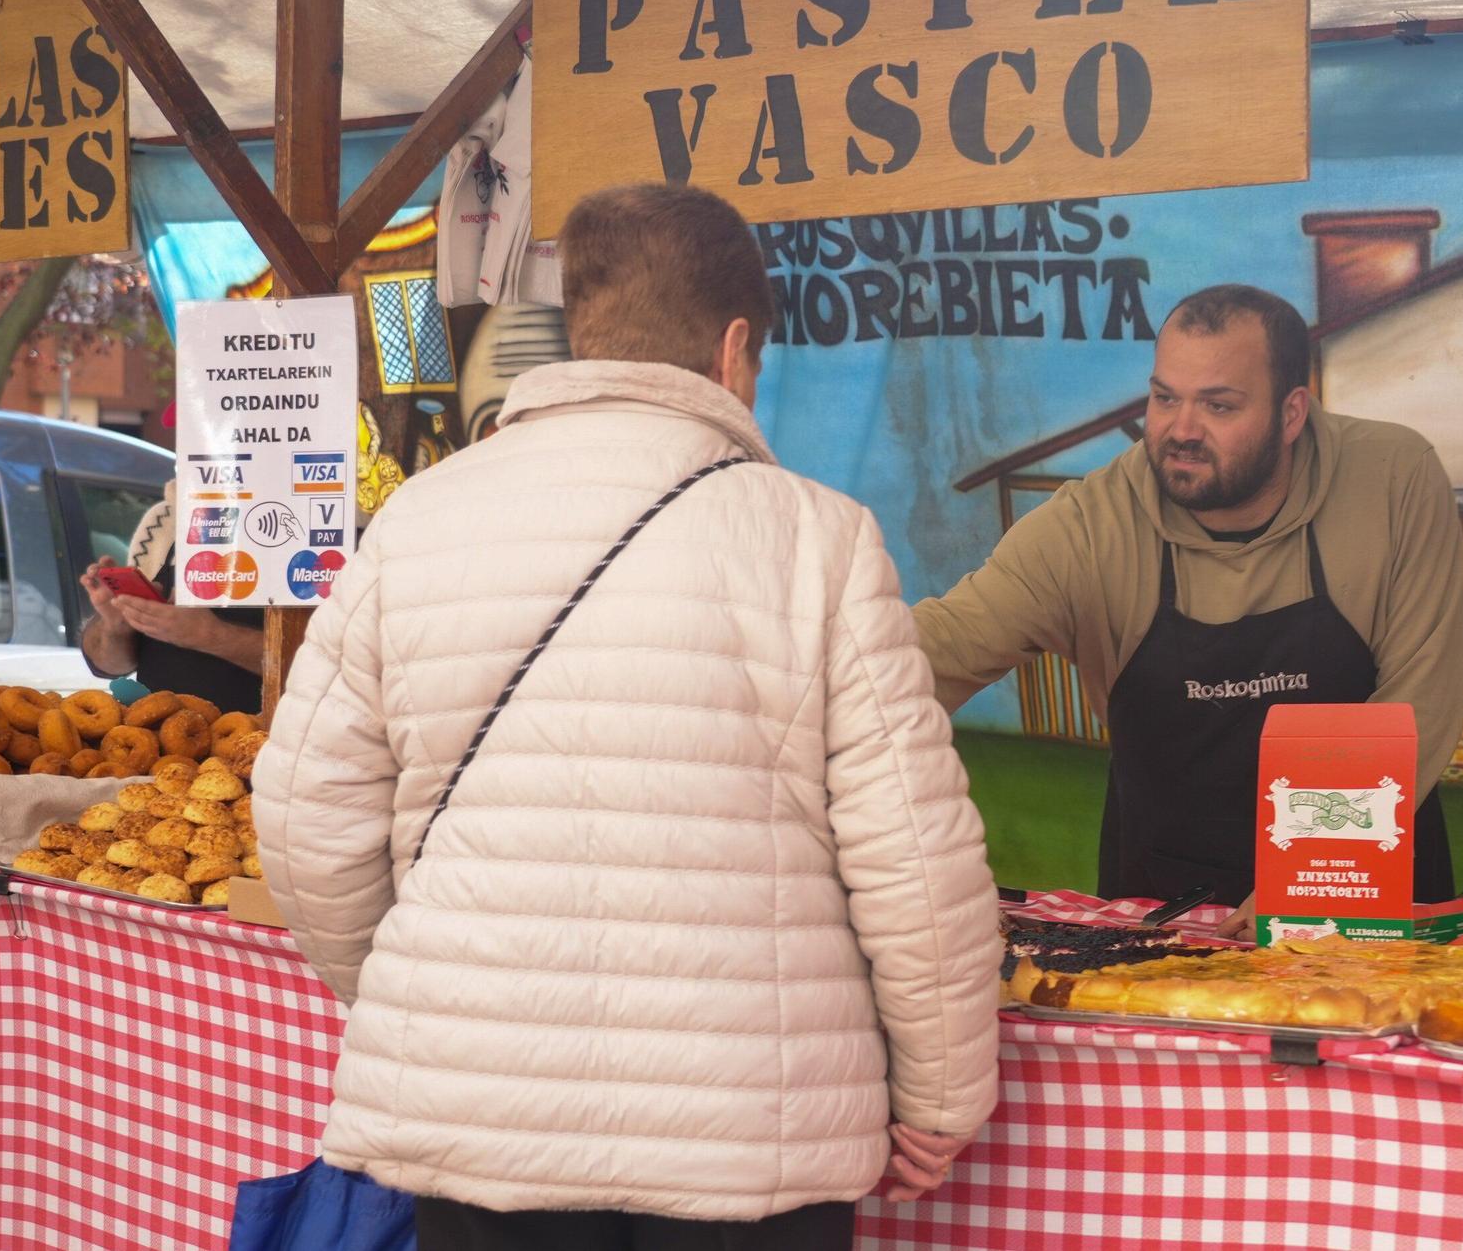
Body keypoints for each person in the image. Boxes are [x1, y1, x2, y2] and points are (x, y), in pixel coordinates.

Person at [252, 183, 999, 1251]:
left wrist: (440, 990)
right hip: (747, 1140)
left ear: (581, 327)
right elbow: (914, 861)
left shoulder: (419, 519)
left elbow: (299, 814)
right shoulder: (817, 538)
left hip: (482, 1122)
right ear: (735, 347)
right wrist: (939, 1096)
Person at [915, 284, 1463, 937]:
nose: (1181, 429)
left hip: (1365, 900)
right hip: (1170, 915)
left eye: (1218, 405)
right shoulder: (1092, 525)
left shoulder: (1392, 479)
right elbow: (938, 648)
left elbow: (1420, 693)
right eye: (1164, 397)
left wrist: (1315, 873)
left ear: (1292, 414)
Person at [79, 484, 264, 713]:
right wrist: (116, 623)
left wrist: (209, 635)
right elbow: (109, 666)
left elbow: (319, 667)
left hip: (265, 741)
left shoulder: (310, 518)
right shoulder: (164, 521)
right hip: (156, 739)